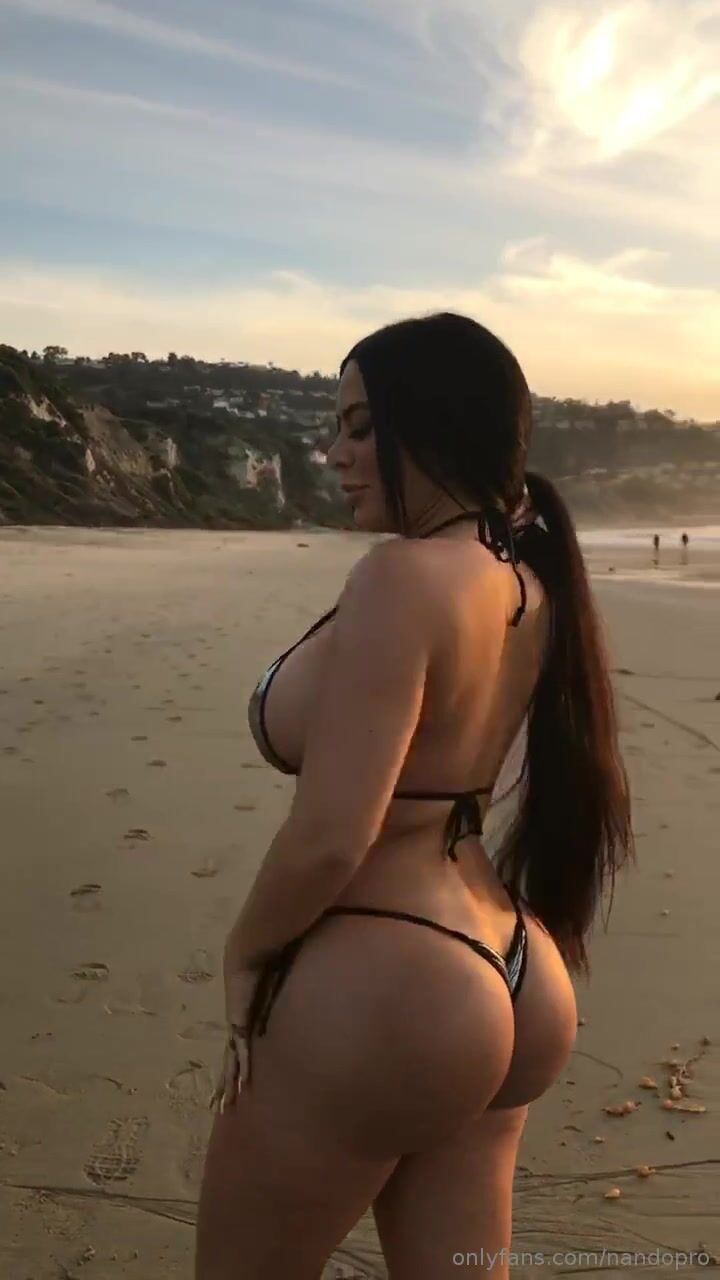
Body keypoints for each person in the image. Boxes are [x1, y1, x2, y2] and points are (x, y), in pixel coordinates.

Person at [196, 313, 634, 1279]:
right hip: (514, 968)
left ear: (431, 428)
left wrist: (245, 959)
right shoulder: (527, 584)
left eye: (360, 426)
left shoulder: (400, 578)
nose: (336, 454)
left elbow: (331, 836)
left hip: (395, 977)